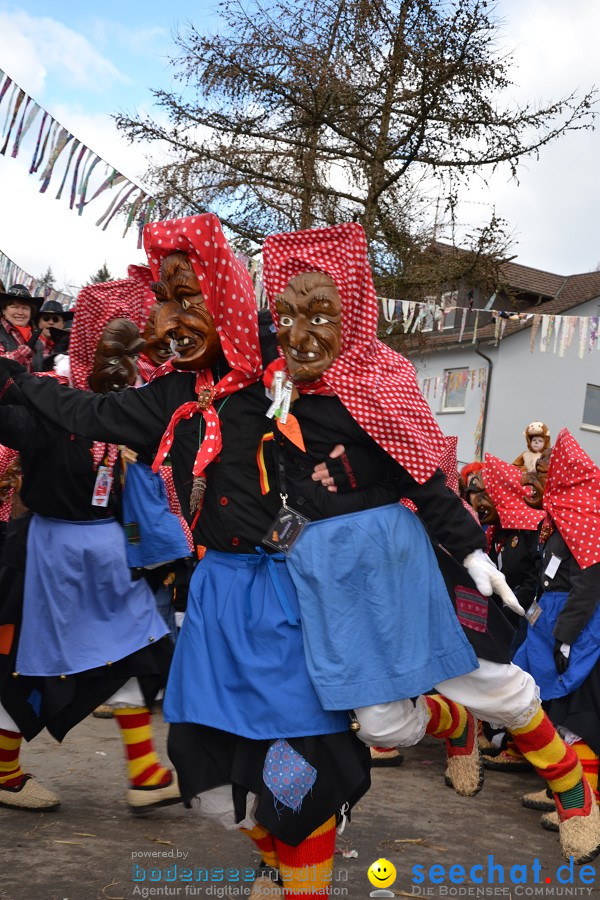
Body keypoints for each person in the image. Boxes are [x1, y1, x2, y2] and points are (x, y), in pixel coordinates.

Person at [258, 222, 600, 866]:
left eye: (320, 315)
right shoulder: (275, 391)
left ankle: (571, 786)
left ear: (353, 313)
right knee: (383, 723)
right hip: (322, 571)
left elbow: (428, 479)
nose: (300, 334)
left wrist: (474, 554)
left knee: (494, 684)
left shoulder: (380, 380)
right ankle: (453, 726)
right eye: (287, 315)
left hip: (394, 562)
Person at [0, 278, 178, 814]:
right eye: (109, 351)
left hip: (111, 558)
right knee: (27, 663)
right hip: (50, 558)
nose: (120, 365)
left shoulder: (141, 413)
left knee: (128, 655)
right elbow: (11, 427)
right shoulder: (49, 400)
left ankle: (146, 772)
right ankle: (4, 771)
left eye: (131, 353)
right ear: (83, 349)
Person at [514, 429, 600, 835]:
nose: (541, 472)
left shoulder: (585, 516)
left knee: (574, 712)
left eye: (550, 466)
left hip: (574, 627)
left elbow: (588, 585)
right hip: (550, 620)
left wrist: (566, 638)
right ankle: (562, 791)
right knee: (549, 705)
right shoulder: (565, 515)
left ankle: (585, 807)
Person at [0, 285, 43, 371]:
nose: (20, 312)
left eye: (25, 308)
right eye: (14, 307)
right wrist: (24, 352)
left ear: (31, 313)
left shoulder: (38, 342)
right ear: (4, 310)